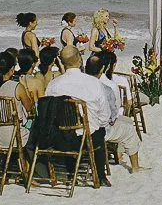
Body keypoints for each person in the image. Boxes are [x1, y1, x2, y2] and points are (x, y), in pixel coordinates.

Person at [44, 46, 112, 185]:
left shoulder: (53, 84)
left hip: (60, 137)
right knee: (100, 130)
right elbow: (104, 116)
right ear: (80, 60)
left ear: (61, 63)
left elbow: (47, 111)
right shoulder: (94, 83)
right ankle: (100, 176)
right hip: (87, 138)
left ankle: (70, 170)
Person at [88, 53, 143, 172]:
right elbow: (112, 116)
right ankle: (135, 167)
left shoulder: (79, 85)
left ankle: (119, 153)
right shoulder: (107, 88)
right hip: (96, 129)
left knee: (127, 121)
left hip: (79, 126)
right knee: (129, 130)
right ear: (102, 68)